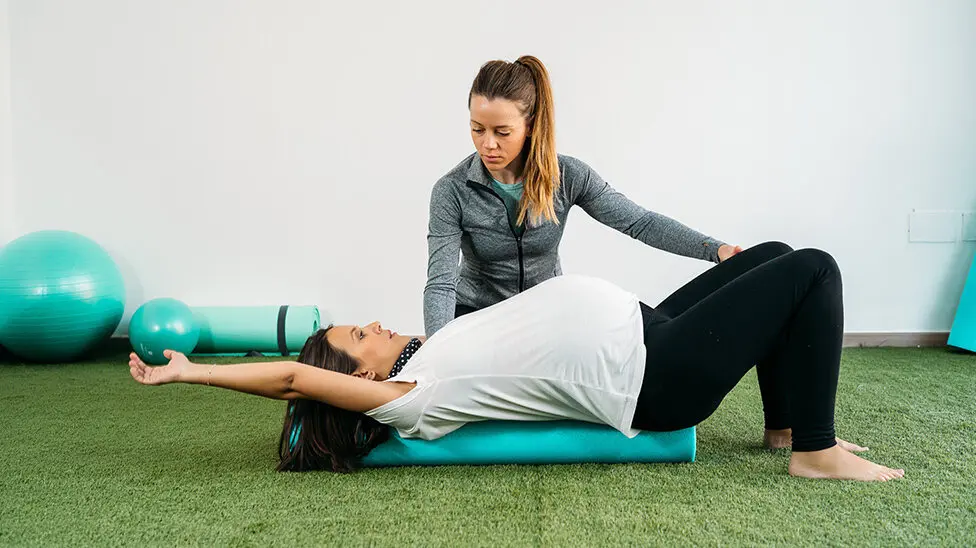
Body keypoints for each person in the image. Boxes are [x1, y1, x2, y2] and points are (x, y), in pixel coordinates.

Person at [128, 243, 904, 482]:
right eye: (359, 335)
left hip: (649, 328)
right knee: (814, 271)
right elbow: (298, 381)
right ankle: (815, 452)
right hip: (656, 376)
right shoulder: (411, 395)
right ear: (358, 379)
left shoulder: (431, 350)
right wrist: (194, 372)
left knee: (772, 255)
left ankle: (785, 427)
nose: (374, 325)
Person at [424, 55, 744, 338]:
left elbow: (640, 223)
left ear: (530, 125)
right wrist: (438, 352)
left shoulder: (567, 176)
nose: (487, 144)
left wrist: (716, 250)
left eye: (502, 132)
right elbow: (441, 283)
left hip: (546, 313)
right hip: (478, 318)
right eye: (477, 129)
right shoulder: (452, 190)